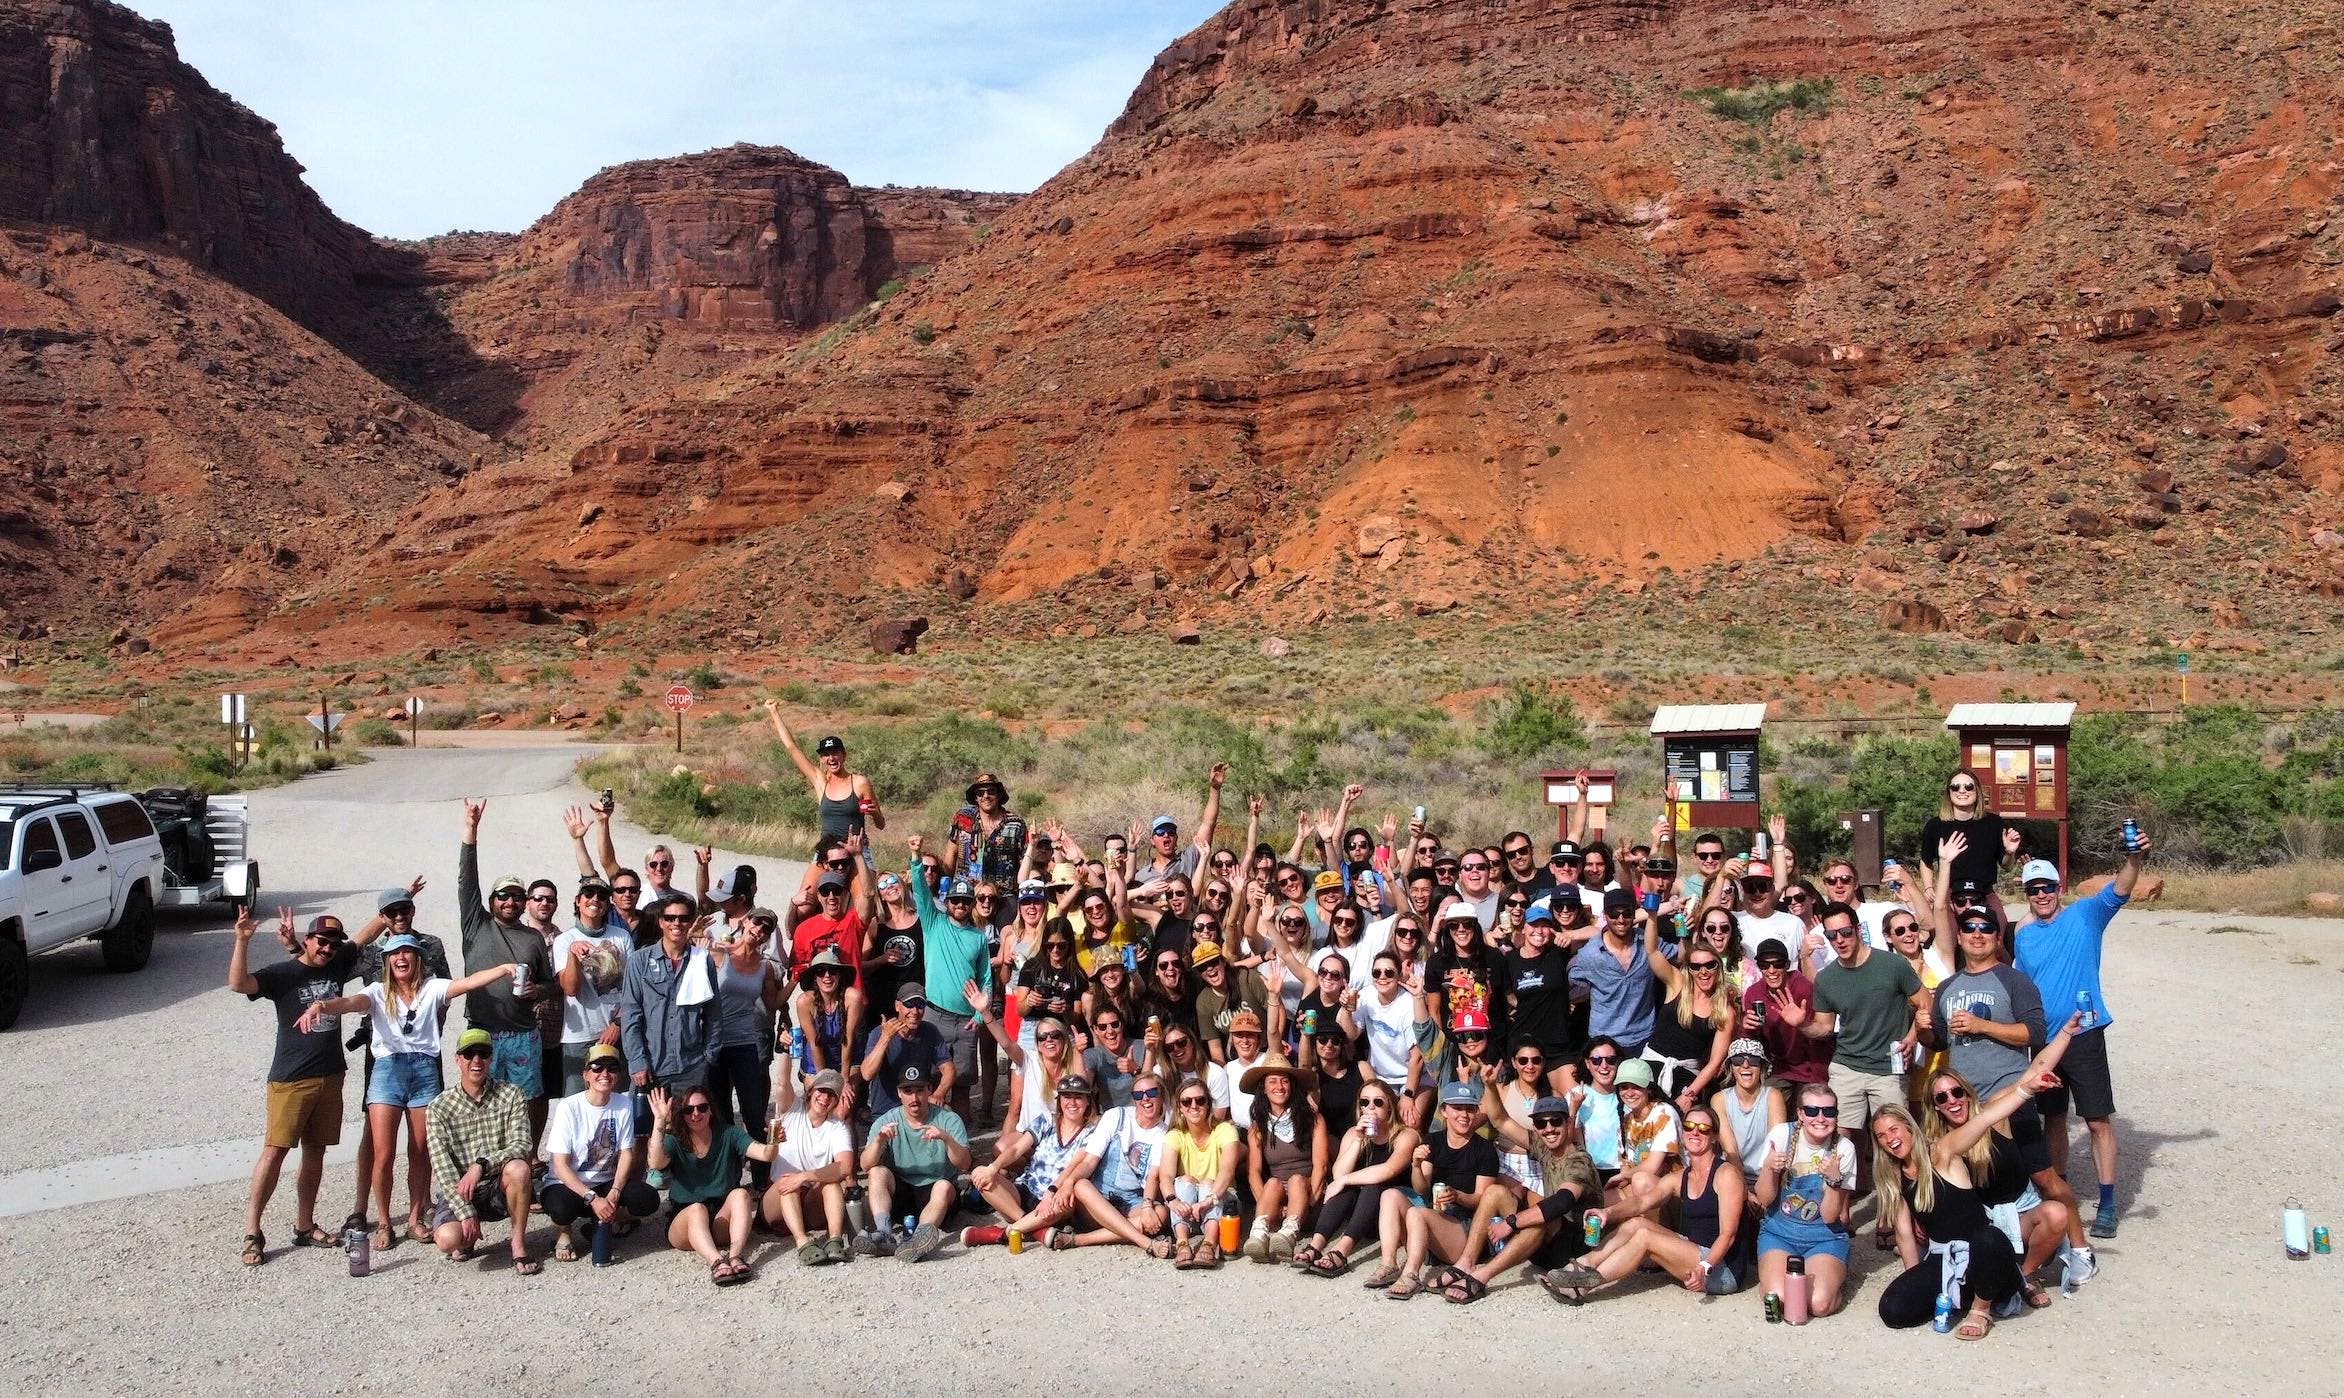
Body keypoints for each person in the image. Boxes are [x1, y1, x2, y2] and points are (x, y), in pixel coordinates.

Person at [294, 935, 512, 1253]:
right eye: (395, 953)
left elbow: (467, 983)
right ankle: (384, 1222)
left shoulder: (431, 987)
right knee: (383, 1154)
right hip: (387, 1071)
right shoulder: (378, 992)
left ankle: (413, 1218)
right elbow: (352, 1003)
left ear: (418, 958)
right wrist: (324, 1006)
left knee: (421, 1150)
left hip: (424, 1070)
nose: (401, 958)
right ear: (387, 961)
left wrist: (502, 969)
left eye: (407, 952)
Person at [1875, 1018, 2076, 1338]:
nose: (1952, 1100)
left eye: (1956, 1092)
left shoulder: (1973, 1127)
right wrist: (1916, 1280)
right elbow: (1904, 1227)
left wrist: (2064, 1035)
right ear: (1935, 1107)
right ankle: (1972, 1290)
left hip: (2006, 1222)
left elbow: (2028, 1078)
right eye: (1942, 1098)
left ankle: (2005, 1290)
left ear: (1966, 1092)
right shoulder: (1929, 1146)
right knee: (1893, 1310)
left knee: (2006, 1231)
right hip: (1964, 1235)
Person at [1933, 901, 2091, 1280]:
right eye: (1968, 928)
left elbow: (2033, 1033)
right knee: (1977, 1181)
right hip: (1965, 1106)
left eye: (1985, 929)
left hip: (2010, 1098)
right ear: (1958, 936)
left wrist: (1982, 1026)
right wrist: (1921, 1028)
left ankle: (2081, 1248)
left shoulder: (2014, 981)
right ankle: (1998, 1254)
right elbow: (1941, 1040)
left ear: (1997, 937)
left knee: (2043, 1177)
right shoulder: (1947, 987)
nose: (1976, 934)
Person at [229, 904, 383, 1266]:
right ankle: (253, 1230)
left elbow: (366, 933)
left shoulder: (337, 963)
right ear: (308, 940)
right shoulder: (283, 974)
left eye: (333, 943)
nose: (329, 948)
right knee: (275, 1151)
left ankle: (304, 1225)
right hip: (291, 1078)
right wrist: (241, 941)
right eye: (322, 941)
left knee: (316, 1151)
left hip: (331, 1074)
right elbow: (239, 984)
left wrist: (399, 899)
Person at [2015, 835, 2149, 1242]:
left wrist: (2133, 857)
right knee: (2053, 1117)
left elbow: (2122, 887)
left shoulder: (2086, 915)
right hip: (2045, 1041)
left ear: (2060, 888)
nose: (2041, 895)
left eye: (2047, 887)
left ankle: (2108, 1203)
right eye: (2033, 890)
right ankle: (2061, 1191)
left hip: (2085, 1034)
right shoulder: (2023, 933)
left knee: (2096, 1120)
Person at [1544, 1099, 1751, 1302]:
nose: (1695, 1132)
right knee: (1637, 1223)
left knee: (1645, 1237)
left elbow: (1728, 1235)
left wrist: (1704, 1267)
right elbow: (1642, 1202)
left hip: (1721, 1268)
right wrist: (1608, 1213)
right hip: (1694, 1250)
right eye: (1689, 1126)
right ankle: (1576, 1268)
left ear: (1714, 1137)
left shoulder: (1726, 1174)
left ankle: (1580, 1287)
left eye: (1704, 1128)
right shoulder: (1682, 1177)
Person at [1782, 901, 1927, 1182]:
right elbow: (1824, 1029)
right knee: (1838, 1141)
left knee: (1894, 1140)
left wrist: (1911, 1038)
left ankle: (1896, 1212)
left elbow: (1925, 1003)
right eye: (1832, 935)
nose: (1840, 940)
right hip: (1847, 1065)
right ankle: (1842, 1212)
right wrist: (1802, 1024)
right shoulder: (1826, 979)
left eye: (1845, 932)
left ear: (1858, 930)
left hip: (1888, 1068)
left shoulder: (1892, 964)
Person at [342, 881, 446, 1240]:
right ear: (382, 917)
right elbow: (339, 959)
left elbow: (443, 992)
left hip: (423, 1054)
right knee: (376, 1136)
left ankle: (420, 1206)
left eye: (405, 909)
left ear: (413, 911)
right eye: (392, 912)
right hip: (382, 1055)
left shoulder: (430, 945)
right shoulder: (372, 953)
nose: (400, 916)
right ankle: (362, 1207)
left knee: (422, 1141)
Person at [456, 798, 558, 1140]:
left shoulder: (533, 938)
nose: (510, 902)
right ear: (491, 901)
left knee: (528, 1098)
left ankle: (526, 1158)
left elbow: (549, 984)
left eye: (516, 896)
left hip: (523, 1034)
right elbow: (466, 881)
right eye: (503, 896)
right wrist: (471, 830)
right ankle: (482, 1162)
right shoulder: (476, 925)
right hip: (483, 1030)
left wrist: (537, 991)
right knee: (480, 1098)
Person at [1456, 1098, 1602, 1303]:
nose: (1549, 1128)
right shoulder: (1545, 1147)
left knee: (1541, 1218)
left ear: (1568, 1123)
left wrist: (1511, 1222)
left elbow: (1562, 1202)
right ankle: (1466, 1262)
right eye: (1542, 1123)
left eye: (1556, 1121)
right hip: (1549, 1243)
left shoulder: (1579, 1161)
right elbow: (1500, 1120)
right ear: (1536, 1127)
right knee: (1494, 1192)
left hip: (1574, 1249)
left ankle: (1481, 1276)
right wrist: (1489, 1084)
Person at [1370, 1079, 1502, 1299]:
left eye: (1470, 1109)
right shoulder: (1434, 1141)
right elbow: (1422, 1189)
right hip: (1435, 1215)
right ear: (1444, 1111)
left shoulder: (1485, 1149)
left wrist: (1458, 1196)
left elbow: (1483, 1200)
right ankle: (1389, 1264)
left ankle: (1411, 1273)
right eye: (1457, 1108)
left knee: (1417, 1212)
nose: (1464, 1115)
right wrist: (1416, 1165)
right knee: (1390, 1195)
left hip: (1465, 1228)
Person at [425, 1028, 540, 1272]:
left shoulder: (511, 1094)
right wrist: (465, 1211)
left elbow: (522, 1145)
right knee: (447, 1240)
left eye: (483, 1053)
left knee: (519, 1168)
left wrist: (481, 1165)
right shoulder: (439, 1108)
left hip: (497, 1184)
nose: (476, 1060)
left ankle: (518, 1244)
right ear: (458, 1060)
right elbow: (443, 1170)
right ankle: (466, 1236)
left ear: (491, 1058)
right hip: (461, 1190)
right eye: (469, 1054)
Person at [540, 1043, 661, 1265]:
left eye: (612, 1068)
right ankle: (564, 1231)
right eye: (596, 1068)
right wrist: (592, 1198)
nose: (604, 1074)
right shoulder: (569, 1107)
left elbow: (626, 1153)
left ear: (618, 1075)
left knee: (648, 1198)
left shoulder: (623, 1104)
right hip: (568, 1183)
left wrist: (615, 1192)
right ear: (586, 1074)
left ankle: (609, 1217)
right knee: (560, 1207)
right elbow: (560, 1165)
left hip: (605, 1180)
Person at [902, 842, 995, 1125]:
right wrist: (916, 858)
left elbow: (986, 980)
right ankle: (925, 1138)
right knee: (928, 1079)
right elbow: (919, 890)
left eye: (966, 902)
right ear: (949, 901)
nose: (960, 906)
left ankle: (962, 1143)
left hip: (966, 1020)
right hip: (935, 1015)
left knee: (963, 1087)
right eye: (955, 900)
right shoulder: (934, 922)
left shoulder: (979, 937)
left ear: (971, 906)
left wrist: (980, 1016)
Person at [646, 1084, 775, 1285]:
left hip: (720, 1215)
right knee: (697, 1209)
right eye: (688, 1110)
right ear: (682, 1114)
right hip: (685, 1220)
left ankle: (735, 1256)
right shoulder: (675, 1140)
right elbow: (655, 1163)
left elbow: (766, 1154)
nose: (696, 1114)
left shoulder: (729, 1134)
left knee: (741, 1194)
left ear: (711, 1109)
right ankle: (716, 1262)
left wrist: (775, 1140)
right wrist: (660, 1121)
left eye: (702, 1108)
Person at [1293, 1079, 1418, 1277]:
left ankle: (1342, 1251)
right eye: (1364, 1102)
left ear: (1390, 1108)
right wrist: (1359, 1140)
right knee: (1346, 1186)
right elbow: (1339, 1174)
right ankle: (1316, 1245)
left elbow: (1388, 1170)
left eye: (1378, 1102)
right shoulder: (1353, 1133)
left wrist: (1344, 1180)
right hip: (1364, 1215)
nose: (1370, 1107)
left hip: (1393, 1216)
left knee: (1372, 1186)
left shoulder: (1406, 1135)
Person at [1754, 1082, 1857, 1318]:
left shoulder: (1844, 1148)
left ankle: (1833, 1279)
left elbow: (1831, 1215)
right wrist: (1769, 1169)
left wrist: (1834, 1180)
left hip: (1824, 1237)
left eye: (1828, 1112)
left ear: (1836, 1115)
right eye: (1812, 1111)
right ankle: (1775, 1276)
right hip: (1779, 1232)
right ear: (1800, 1113)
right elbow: (1765, 1198)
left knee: (1818, 1305)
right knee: (1778, 1299)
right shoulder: (1781, 1135)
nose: (1820, 1118)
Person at [967, 1073, 1103, 1249]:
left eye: (1078, 1097)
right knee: (981, 1174)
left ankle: (1001, 1234)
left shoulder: (1092, 1131)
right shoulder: (1047, 1119)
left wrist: (1051, 1191)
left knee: (1064, 1204)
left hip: (1056, 1194)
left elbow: (1074, 1166)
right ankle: (1033, 1229)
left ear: (1087, 1101)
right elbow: (1017, 1149)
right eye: (1067, 1097)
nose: (1072, 1102)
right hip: (1026, 1188)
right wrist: (993, 1168)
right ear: (1059, 1100)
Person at [858, 1062, 971, 1261]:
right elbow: (865, 1165)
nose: (914, 1098)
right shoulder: (886, 1121)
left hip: (936, 1193)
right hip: (902, 1191)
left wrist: (947, 1139)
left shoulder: (949, 1120)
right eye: (907, 1091)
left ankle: (919, 1240)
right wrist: (878, 1142)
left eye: (919, 1090)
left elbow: (964, 1164)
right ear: (899, 1093)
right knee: (876, 1172)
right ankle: (884, 1234)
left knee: (944, 1186)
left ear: (929, 1090)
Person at [1639, 894, 1731, 1109]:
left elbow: (1715, 1062)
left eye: (1710, 965)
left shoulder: (1723, 1007)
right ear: (1689, 969)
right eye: (1696, 967)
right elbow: (1652, 951)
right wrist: (1652, 916)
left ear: (1718, 968)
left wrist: (1689, 1095)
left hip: (1688, 1076)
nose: (1703, 972)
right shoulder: (1677, 984)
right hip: (1650, 1064)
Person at [762, 1067, 857, 1265]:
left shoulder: (837, 1127)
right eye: (821, 1090)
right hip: (777, 1199)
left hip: (809, 1199)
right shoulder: (792, 1109)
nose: (825, 1098)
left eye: (831, 1094)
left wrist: (804, 1176)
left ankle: (834, 1239)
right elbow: (782, 1083)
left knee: (831, 1184)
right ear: (810, 1091)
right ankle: (802, 1242)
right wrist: (785, 1050)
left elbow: (844, 1167)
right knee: (787, 1182)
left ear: (837, 1100)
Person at [620, 895, 715, 1094]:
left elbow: (713, 1013)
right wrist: (637, 1061)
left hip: (691, 1066)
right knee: (644, 1124)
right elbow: (631, 1014)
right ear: (661, 922)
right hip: (651, 1064)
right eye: (670, 918)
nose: (676, 923)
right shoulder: (639, 961)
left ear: (690, 922)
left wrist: (709, 1056)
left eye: (683, 918)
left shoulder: (702, 960)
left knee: (691, 1122)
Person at [553, 881, 636, 1094]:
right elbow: (570, 989)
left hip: (617, 1032)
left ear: (607, 904)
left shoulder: (621, 936)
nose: (595, 899)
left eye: (601, 895)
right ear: (578, 901)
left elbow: (634, 987)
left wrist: (618, 1023)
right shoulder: (564, 940)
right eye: (588, 894)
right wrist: (573, 955)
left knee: (618, 1099)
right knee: (577, 1101)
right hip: (580, 1035)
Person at [1240, 1053, 1325, 1262]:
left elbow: (1321, 1166)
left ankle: (1288, 1233)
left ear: (1292, 1086)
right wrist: (1271, 1206)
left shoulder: (1313, 1119)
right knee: (1272, 1183)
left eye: (1285, 1081)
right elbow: (1253, 1173)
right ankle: (1259, 1233)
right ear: (1264, 1088)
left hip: (1308, 1192)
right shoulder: (1257, 1128)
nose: (1279, 1086)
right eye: (1273, 1081)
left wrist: (1309, 1203)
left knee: (1296, 1180)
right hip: (1277, 1199)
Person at [1159, 1072, 1245, 1269]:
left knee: (1208, 1182)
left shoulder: (1224, 1130)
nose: (1194, 1106)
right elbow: (1166, 1176)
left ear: (1208, 1104)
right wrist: (1173, 1201)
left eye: (1200, 1100)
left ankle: (1210, 1242)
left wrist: (1208, 1200)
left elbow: (1227, 1171)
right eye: (1186, 1102)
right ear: (1179, 1108)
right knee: (1185, 1180)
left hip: (1223, 1204)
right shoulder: (1175, 1135)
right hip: (1188, 1207)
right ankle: (1182, 1242)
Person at [765, 701, 883, 843]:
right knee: (811, 867)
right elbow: (792, 747)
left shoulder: (860, 783)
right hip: (827, 851)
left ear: (844, 755)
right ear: (821, 759)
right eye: (826, 754)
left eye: (835, 753)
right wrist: (774, 711)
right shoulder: (821, 782)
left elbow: (881, 825)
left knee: (867, 866)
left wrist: (874, 812)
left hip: (856, 851)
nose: (831, 758)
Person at [1569, 889, 1656, 1059]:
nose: (1621, 920)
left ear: (1635, 914)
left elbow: (1680, 955)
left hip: (1643, 1037)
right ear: (1604, 915)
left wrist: (1685, 931)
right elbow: (1569, 983)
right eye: (1614, 914)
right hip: (1604, 1041)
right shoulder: (1590, 953)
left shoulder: (1648, 943)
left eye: (1627, 914)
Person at [1502, 904, 1578, 1095]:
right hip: (1524, 1046)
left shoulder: (1559, 953)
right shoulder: (1509, 960)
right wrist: (1514, 1004)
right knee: (1530, 1110)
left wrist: (1569, 936)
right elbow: (1505, 992)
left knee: (1575, 1100)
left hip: (1557, 1044)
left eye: (1545, 926)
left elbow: (1598, 931)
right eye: (1534, 925)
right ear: (1524, 928)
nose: (1539, 931)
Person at [1917, 769, 2022, 895]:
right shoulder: (1935, 825)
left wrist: (2010, 852)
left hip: (1984, 893)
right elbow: (1925, 861)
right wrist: (1928, 887)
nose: (1962, 791)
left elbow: (2007, 866)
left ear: (1977, 791)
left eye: (1968, 787)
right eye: (1955, 787)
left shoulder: (1994, 823)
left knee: (1998, 915)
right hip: (1949, 893)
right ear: (1949, 792)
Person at [858, 983, 951, 1120]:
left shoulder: (930, 1031)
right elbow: (867, 1074)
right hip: (887, 1112)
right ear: (897, 1006)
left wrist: (938, 1094)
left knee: (949, 1114)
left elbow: (949, 1070)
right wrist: (885, 1038)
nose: (914, 1011)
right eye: (909, 1004)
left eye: (919, 1005)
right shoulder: (879, 1033)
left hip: (919, 1108)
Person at [1711, 1038, 1787, 1182]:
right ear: (1731, 1068)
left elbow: (1775, 1148)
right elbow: (1730, 1151)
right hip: (1731, 1175)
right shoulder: (1719, 1099)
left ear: (1762, 1067)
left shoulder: (1773, 1096)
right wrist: (1744, 1190)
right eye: (1738, 1060)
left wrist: (1762, 1187)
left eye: (1754, 1060)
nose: (1745, 1065)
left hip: (1768, 1175)